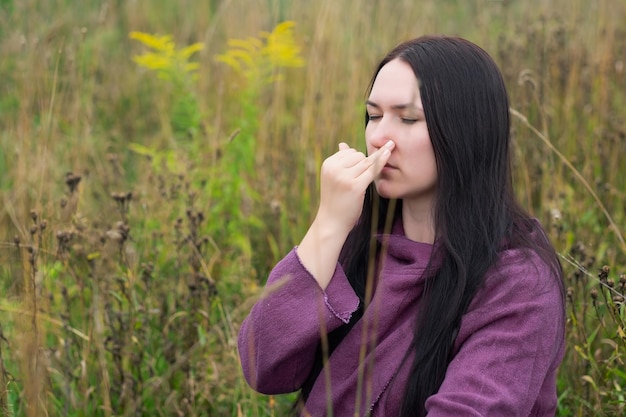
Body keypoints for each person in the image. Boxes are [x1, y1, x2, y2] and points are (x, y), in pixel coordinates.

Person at [238, 35, 565, 417]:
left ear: (465, 132)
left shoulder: (516, 283)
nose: (377, 137)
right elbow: (263, 366)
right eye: (374, 115)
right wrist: (327, 225)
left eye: (407, 118)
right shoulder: (359, 243)